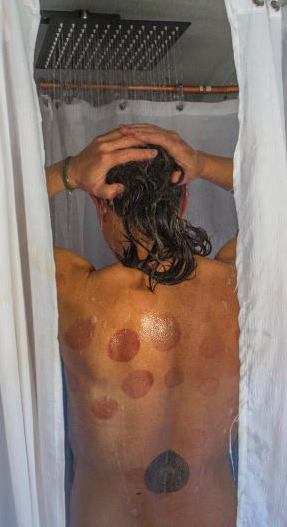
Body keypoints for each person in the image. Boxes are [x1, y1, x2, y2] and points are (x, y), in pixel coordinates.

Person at [44, 123, 239, 527]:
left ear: (100, 206)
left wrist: (70, 173)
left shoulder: (72, 291)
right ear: (183, 201)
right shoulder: (238, 284)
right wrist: (202, 164)